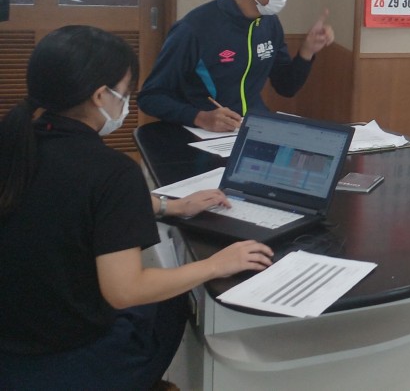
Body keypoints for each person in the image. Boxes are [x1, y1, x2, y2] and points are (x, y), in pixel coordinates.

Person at [0, 25, 273, 389]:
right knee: (173, 301)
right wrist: (215, 265)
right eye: (126, 91)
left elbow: (68, 197)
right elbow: (126, 290)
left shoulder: (16, 144)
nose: (127, 102)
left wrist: (168, 206)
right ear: (101, 96)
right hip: (66, 360)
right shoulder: (112, 171)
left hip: (13, 336)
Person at [139, 0, 335, 133]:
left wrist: (307, 51)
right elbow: (150, 97)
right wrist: (200, 117)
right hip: (202, 133)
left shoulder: (269, 23)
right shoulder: (193, 29)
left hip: (253, 127)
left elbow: (286, 87)